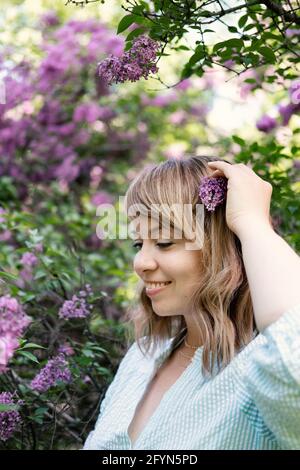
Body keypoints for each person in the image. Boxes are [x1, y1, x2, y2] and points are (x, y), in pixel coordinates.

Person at [83, 155, 300, 450]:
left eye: (163, 242)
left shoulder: (258, 369)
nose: (141, 262)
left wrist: (252, 224)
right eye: (139, 244)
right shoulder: (143, 357)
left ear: (220, 247)